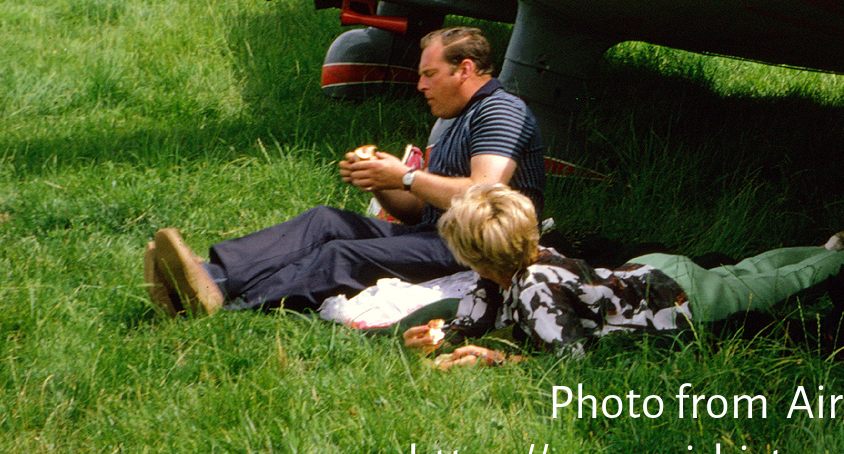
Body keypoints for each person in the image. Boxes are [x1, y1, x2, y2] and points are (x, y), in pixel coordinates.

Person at [147, 26, 546, 315]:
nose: (420, 86)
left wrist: (406, 176)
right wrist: (378, 181)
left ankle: (228, 303)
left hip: (480, 250)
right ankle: (210, 273)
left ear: (465, 69)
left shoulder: (501, 110)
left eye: (429, 74)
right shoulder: (456, 119)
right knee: (324, 221)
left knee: (343, 255)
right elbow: (419, 212)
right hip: (438, 235)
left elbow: (483, 194)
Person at [404, 183, 844, 364]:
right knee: (750, 269)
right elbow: (483, 301)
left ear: (478, 256)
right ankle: (825, 248)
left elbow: (571, 357)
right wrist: (449, 331)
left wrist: (492, 358)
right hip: (651, 273)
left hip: (679, 297)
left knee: (774, 286)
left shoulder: (533, 289)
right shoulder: (527, 260)